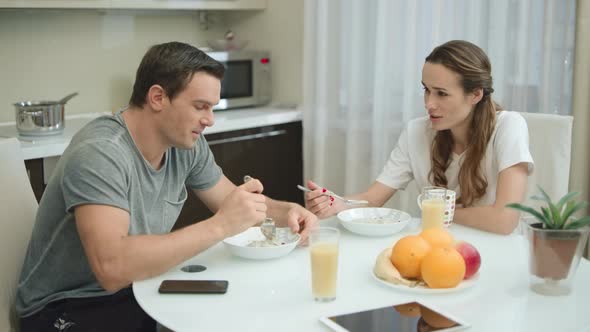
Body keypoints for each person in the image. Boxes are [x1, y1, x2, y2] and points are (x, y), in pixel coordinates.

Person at [16, 41, 317, 332]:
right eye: (200, 106)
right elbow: (112, 267)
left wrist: (288, 211)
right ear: (158, 97)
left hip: (137, 287)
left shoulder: (186, 145)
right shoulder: (100, 153)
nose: (209, 120)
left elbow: (232, 202)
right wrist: (220, 226)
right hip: (66, 307)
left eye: (212, 108)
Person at [305, 40, 533, 235]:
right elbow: (373, 198)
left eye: (441, 93)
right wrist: (340, 204)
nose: (429, 103)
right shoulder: (416, 132)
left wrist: (434, 212)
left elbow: (505, 220)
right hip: (440, 245)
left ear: (475, 94)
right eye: (426, 89)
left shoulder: (508, 126)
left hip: (497, 250)